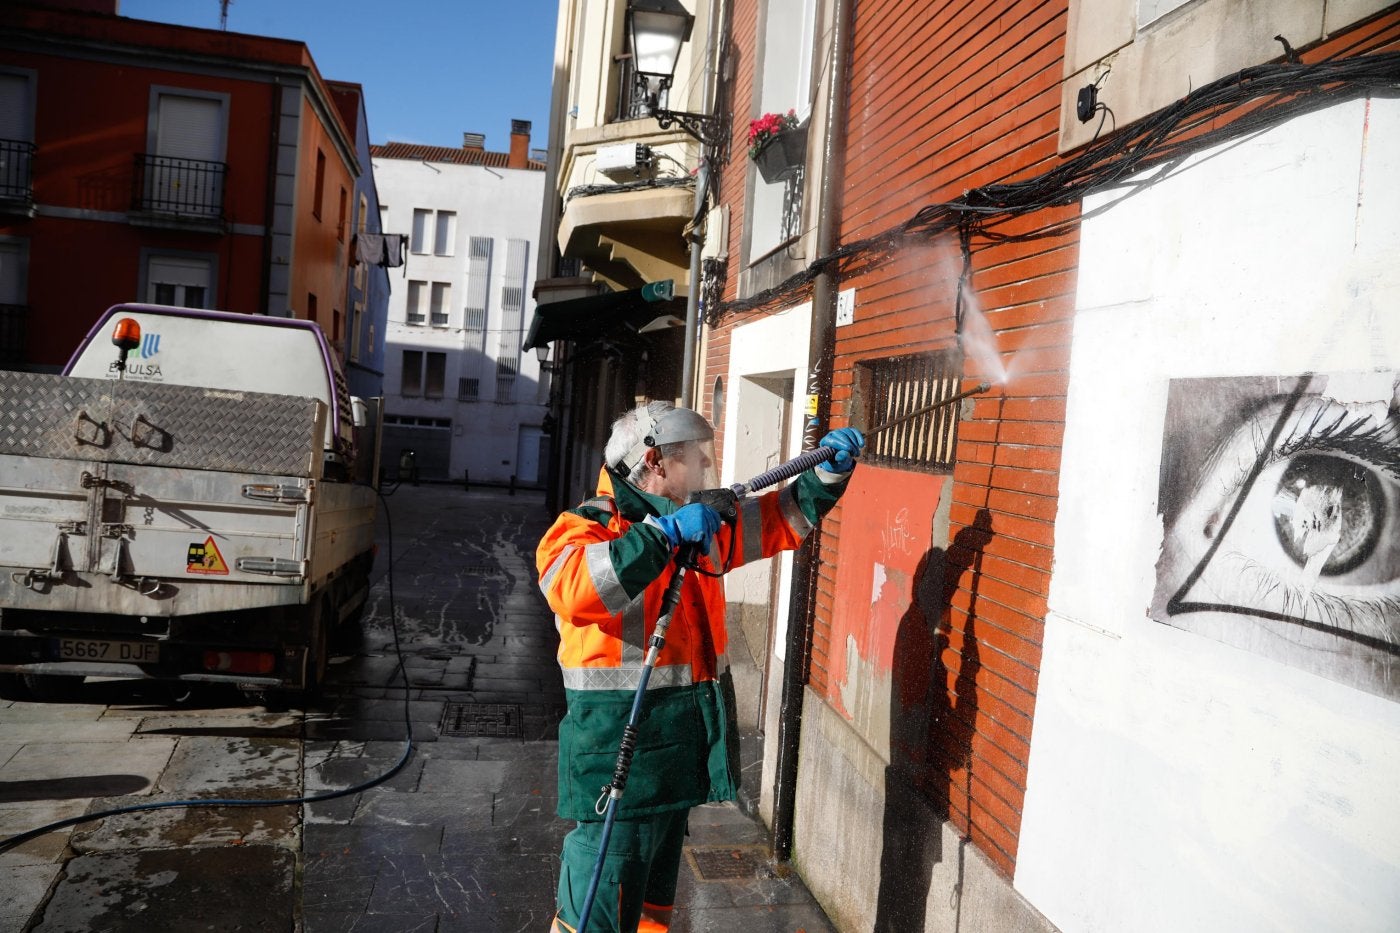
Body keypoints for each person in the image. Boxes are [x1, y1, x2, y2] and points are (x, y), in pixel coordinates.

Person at [536, 400, 864, 933]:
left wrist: (828, 472)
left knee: (650, 913)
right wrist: (664, 537)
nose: (708, 469)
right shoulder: (585, 529)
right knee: (598, 909)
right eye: (696, 457)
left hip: (672, 760)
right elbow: (578, 590)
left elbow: (777, 520)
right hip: (618, 756)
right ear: (657, 462)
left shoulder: (695, 525)